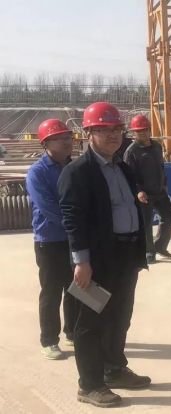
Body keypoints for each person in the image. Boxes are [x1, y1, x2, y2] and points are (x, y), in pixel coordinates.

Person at [58, 102, 150, 408]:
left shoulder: (122, 167)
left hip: (126, 256)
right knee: (91, 323)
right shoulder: (78, 172)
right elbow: (73, 220)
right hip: (97, 262)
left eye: (117, 129)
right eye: (104, 129)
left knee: (119, 317)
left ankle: (114, 369)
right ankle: (90, 384)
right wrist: (81, 262)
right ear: (88, 133)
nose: (113, 135)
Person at [26, 119, 76, 360]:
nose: (67, 142)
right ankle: (49, 340)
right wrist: (76, 225)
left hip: (74, 238)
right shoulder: (37, 172)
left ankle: (73, 332)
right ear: (45, 143)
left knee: (76, 288)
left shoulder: (74, 167)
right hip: (50, 240)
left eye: (68, 137)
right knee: (52, 291)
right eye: (59, 138)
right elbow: (48, 208)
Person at [124, 115, 171, 264]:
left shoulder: (157, 146)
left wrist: (164, 184)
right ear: (134, 133)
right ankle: (149, 252)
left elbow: (161, 167)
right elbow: (129, 175)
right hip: (144, 195)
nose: (143, 133)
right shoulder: (132, 151)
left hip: (159, 192)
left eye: (145, 130)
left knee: (169, 217)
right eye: (139, 131)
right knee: (146, 225)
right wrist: (138, 191)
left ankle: (160, 246)